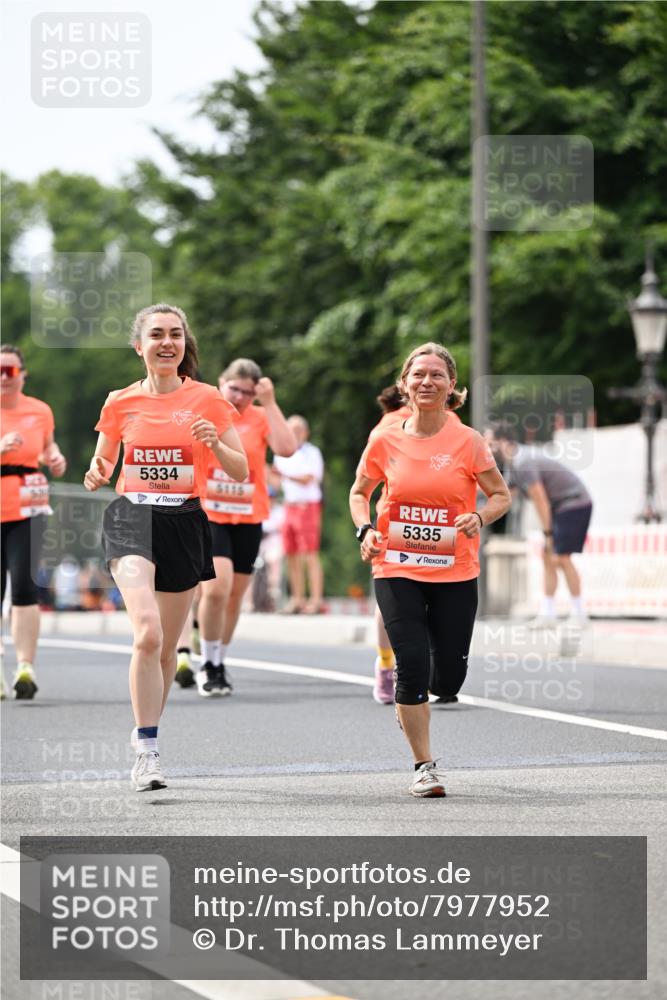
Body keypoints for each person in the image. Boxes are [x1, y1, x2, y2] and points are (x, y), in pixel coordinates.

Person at [83, 303, 247, 791]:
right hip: (132, 517)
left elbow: (241, 470)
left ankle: (146, 733)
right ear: (140, 346)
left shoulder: (208, 399)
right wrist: (96, 471)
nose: (167, 342)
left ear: (184, 344)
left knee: (167, 652)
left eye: (175, 334)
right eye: (156, 334)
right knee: (148, 633)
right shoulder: (120, 402)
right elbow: (104, 460)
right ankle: (148, 752)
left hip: (184, 519)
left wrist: (215, 444)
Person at [350, 343, 511, 797]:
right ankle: (424, 766)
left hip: (455, 569)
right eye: (418, 374)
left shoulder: (468, 441)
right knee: (413, 664)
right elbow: (359, 492)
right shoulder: (385, 439)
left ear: (451, 387)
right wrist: (365, 530)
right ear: (404, 384)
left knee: (448, 678)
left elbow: (501, 495)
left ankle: (422, 694)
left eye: (437, 375)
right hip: (396, 565)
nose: (426, 382)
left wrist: (478, 517)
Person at [193, 358, 296, 697]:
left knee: (235, 595)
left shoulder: (261, 417)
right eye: (233, 388)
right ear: (221, 382)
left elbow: (286, 448)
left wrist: (270, 402)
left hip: (249, 516)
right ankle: (207, 663)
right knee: (217, 587)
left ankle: (219, 660)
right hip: (211, 512)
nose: (239, 397)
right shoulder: (204, 411)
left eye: (247, 392)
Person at [1, 344, 67, 700]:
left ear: (22, 374)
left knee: (25, 587)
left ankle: (25, 666)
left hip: (27, 505)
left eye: (10, 371)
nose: (3, 377)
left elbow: (47, 448)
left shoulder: (39, 410)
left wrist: (54, 458)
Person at [490, 425, 593, 625]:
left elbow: (540, 499)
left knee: (561, 557)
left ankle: (580, 613)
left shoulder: (523, 461)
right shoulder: (513, 463)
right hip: (561, 506)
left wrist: (547, 533)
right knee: (548, 557)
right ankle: (548, 613)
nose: (486, 447)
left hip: (574, 502)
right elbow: (507, 495)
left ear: (503, 441)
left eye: (490, 442)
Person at [273, 416, 325, 614]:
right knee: (291, 554)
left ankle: (316, 599)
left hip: (307, 506)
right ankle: (297, 598)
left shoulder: (312, 452)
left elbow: (309, 478)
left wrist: (284, 476)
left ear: (305, 432)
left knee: (309, 554)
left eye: (298, 430)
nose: (294, 434)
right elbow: (278, 483)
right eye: (291, 429)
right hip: (289, 505)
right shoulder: (282, 453)